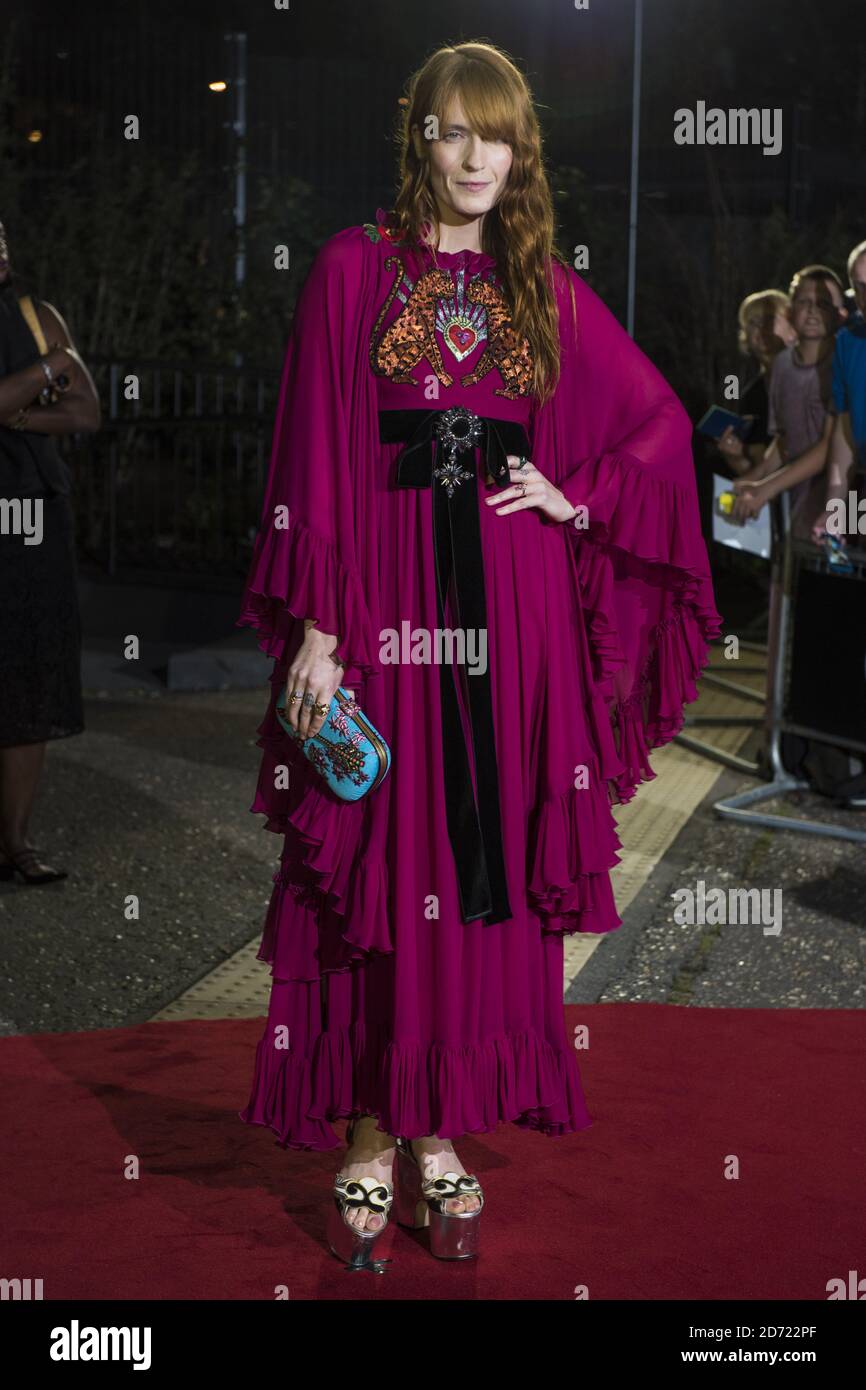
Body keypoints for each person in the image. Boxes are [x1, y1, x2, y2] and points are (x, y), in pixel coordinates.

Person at [237, 41, 721, 1268]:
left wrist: (577, 497)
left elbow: (658, 423)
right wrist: (323, 629)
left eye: (494, 135)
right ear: (421, 142)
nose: (473, 156)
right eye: (452, 131)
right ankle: (363, 1129)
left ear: (519, 153)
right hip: (385, 602)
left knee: (483, 859)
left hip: (512, 623)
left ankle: (437, 1127)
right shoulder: (351, 270)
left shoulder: (542, 288)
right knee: (378, 862)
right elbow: (317, 456)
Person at [0, 219, 100, 884]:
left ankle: (15, 844)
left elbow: (87, 414)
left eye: (3, 234)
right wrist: (52, 367)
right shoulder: (49, 345)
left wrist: (22, 415)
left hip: (36, 519)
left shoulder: (37, 316)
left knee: (29, 684)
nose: (2, 244)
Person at [731, 265, 847, 536]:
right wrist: (755, 476)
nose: (813, 310)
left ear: (839, 313)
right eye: (805, 302)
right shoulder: (782, 365)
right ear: (792, 309)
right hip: (795, 507)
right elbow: (784, 438)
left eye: (824, 303)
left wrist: (766, 487)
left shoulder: (847, 362)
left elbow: (833, 444)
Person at [715, 289, 795, 478]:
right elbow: (758, 473)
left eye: (768, 319)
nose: (760, 329)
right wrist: (736, 459)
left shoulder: (815, 375)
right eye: (752, 323)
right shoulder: (751, 396)